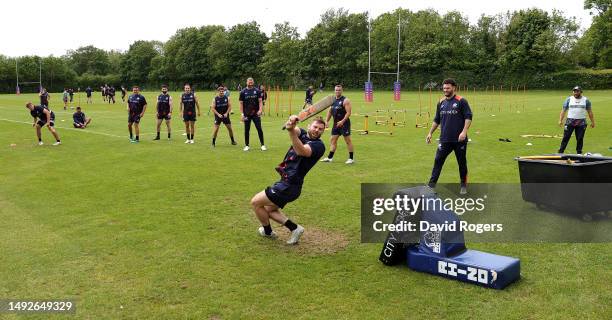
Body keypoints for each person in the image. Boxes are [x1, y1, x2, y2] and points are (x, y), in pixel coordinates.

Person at [250, 116, 326, 244]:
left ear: (323, 131)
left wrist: (290, 130)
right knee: (269, 210)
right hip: (287, 183)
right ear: (309, 126)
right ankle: (295, 228)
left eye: (320, 129)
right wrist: (291, 122)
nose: (317, 130)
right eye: (315, 127)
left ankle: (268, 232)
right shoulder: (302, 133)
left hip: (289, 186)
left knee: (255, 202)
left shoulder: (319, 146)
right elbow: (295, 130)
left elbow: (302, 151)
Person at [425, 78, 472, 195]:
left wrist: (464, 132)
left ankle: (463, 186)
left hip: (459, 140)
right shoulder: (441, 103)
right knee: (438, 161)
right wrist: (430, 132)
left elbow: (468, 117)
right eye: (444, 88)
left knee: (461, 163)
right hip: (444, 139)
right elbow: (437, 120)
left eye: (448, 88)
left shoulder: (461, 101)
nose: (445, 90)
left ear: (454, 88)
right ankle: (431, 186)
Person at [320, 85, 355, 164]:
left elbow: (349, 113)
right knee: (332, 140)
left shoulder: (345, 100)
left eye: (339, 90)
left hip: (344, 124)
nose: (337, 91)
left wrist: (342, 121)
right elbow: (330, 111)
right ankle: (330, 158)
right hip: (336, 124)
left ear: (342, 91)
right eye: (336, 90)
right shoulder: (332, 100)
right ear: (334, 91)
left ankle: (351, 158)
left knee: (348, 141)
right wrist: (327, 121)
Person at [558, 86, 595, 154]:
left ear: (581, 92)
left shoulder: (586, 100)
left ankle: (579, 153)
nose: (575, 92)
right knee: (565, 137)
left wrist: (592, 122)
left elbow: (590, 111)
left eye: (577, 91)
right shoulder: (568, 99)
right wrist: (560, 120)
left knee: (580, 138)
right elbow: (563, 110)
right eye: (574, 91)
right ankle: (560, 152)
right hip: (570, 122)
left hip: (581, 122)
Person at [239, 77, 266, 151]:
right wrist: (242, 114)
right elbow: (241, 104)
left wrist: (260, 110)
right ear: (246, 82)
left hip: (256, 113)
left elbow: (260, 101)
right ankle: (247, 145)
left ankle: (262, 145)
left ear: (253, 82)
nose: (250, 82)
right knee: (246, 130)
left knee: (259, 128)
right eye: (249, 81)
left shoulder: (257, 91)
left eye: (251, 81)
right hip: (246, 114)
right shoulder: (242, 92)